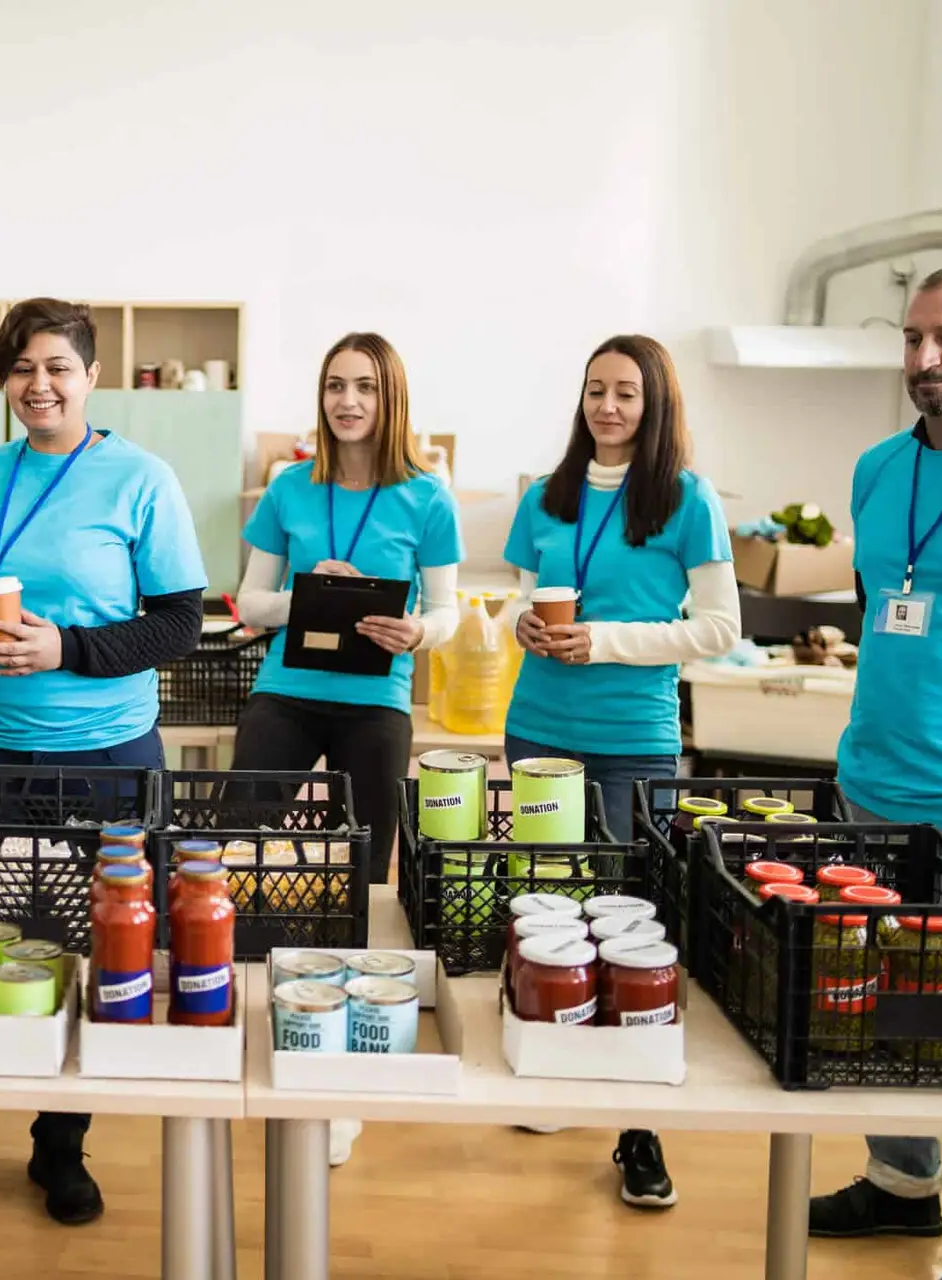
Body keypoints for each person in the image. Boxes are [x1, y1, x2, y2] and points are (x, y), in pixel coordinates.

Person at [0, 298, 206, 1225]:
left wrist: (64, 649)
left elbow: (179, 622)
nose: (40, 385)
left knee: (87, 940)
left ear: (91, 376)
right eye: (23, 368)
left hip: (105, 754)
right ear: (5, 380)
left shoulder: (139, 478)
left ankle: (60, 1143)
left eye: (58, 368)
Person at [806, 263, 942, 1280]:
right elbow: (881, 604)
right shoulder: (878, 467)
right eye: (915, 337)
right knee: (886, 1011)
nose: (928, 359)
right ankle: (899, 1185)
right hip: (874, 783)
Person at [501, 334, 739, 1209]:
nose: (608, 407)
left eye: (626, 394)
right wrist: (521, 624)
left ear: (656, 404)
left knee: (638, 928)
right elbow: (517, 598)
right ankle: (558, 1064)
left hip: (634, 736)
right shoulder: (547, 494)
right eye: (596, 390)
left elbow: (719, 629)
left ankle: (641, 1129)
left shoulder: (686, 498)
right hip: (537, 727)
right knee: (547, 906)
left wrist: (602, 641)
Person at [231, 332, 462, 1167]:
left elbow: (448, 611)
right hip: (285, 695)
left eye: (364, 386)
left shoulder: (427, 498)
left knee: (363, 881)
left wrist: (419, 630)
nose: (348, 401)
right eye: (335, 385)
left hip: (377, 703)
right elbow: (249, 603)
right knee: (241, 852)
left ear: (389, 396)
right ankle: (241, 1025)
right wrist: (306, 594)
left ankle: (338, 1079)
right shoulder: (291, 487)